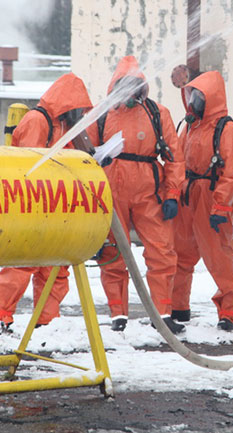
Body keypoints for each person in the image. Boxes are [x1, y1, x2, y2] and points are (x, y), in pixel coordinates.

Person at [0, 72, 93, 331]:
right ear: (67, 104)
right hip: (31, 207)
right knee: (22, 263)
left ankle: (47, 320)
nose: (79, 114)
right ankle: (0, 315)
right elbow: (30, 166)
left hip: (53, 207)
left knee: (55, 266)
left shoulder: (62, 127)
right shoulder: (38, 120)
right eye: (77, 108)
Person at [95, 55, 185, 334]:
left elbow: (174, 157)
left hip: (149, 190)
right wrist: (99, 161)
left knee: (161, 251)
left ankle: (163, 312)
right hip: (111, 188)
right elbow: (85, 155)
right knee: (113, 252)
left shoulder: (158, 113)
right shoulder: (101, 114)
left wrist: (171, 194)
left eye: (135, 85)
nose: (131, 91)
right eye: (125, 85)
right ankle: (117, 314)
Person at [171, 71, 233, 332]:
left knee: (219, 257)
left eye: (199, 97)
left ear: (210, 99)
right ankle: (178, 306)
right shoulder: (190, 127)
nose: (194, 102)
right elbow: (178, 161)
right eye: (193, 96)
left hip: (211, 196)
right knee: (180, 254)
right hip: (188, 195)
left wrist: (221, 206)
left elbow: (232, 172)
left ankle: (227, 312)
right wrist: (174, 192)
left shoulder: (227, 129)